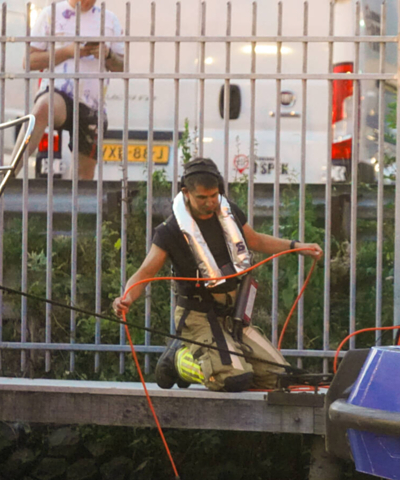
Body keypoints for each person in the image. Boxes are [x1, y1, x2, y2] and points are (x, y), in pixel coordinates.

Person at [112, 158, 323, 392]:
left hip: (233, 317)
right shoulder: (169, 231)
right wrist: (127, 297)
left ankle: (226, 358)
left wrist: (296, 246)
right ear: (186, 193)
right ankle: (179, 361)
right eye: (202, 197)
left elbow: (255, 240)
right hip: (197, 317)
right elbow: (146, 271)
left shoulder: (228, 212)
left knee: (281, 378)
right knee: (233, 379)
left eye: (214, 195)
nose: (210, 203)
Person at [26, 0, 125, 181]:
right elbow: (29, 61)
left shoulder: (109, 20)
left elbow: (122, 66)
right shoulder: (50, 14)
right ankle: (8, 172)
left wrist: (108, 54)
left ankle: (76, 208)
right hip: (59, 91)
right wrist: (68, 52)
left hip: (92, 105)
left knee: (83, 178)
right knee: (43, 108)